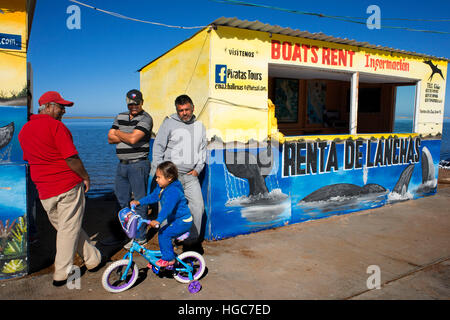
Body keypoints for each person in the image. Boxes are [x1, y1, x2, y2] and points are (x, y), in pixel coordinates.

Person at [18, 91, 103, 287]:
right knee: (67, 229)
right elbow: (71, 158)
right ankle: (62, 272)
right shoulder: (56, 127)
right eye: (61, 106)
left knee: (68, 228)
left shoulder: (25, 130)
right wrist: (85, 176)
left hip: (44, 190)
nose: (64, 110)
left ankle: (92, 259)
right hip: (66, 186)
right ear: (48, 107)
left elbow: (29, 158)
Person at [151, 94, 206, 251]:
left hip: (190, 177)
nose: (184, 113)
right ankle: (166, 241)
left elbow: (202, 151)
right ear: (177, 110)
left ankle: (191, 242)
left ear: (193, 108)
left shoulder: (200, 126)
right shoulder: (169, 123)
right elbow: (158, 147)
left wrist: (198, 169)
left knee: (198, 207)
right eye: (181, 110)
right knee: (167, 209)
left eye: (187, 109)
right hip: (171, 179)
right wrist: (159, 173)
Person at [108, 89, 153, 248]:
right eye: (131, 104)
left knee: (140, 202)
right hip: (122, 165)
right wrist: (127, 135)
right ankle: (127, 234)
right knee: (121, 201)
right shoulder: (120, 116)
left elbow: (134, 139)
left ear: (142, 102)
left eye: (137, 103)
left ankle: (140, 237)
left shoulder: (146, 118)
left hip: (138, 165)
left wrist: (119, 133)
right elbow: (109, 138)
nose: (134, 106)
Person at [131, 161, 192, 267]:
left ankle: (169, 259)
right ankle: (166, 254)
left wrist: (158, 220)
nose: (156, 179)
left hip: (183, 221)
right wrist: (139, 202)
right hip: (175, 219)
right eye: (156, 177)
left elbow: (167, 209)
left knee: (164, 234)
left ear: (169, 178)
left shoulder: (173, 192)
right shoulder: (162, 187)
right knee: (163, 234)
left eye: (159, 177)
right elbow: (153, 197)